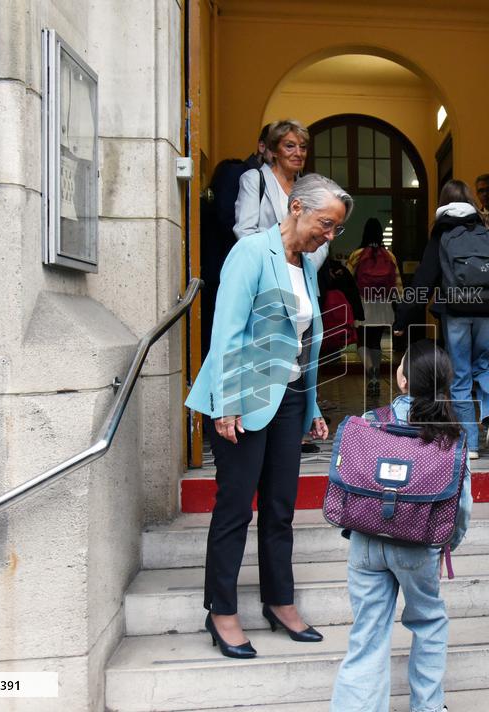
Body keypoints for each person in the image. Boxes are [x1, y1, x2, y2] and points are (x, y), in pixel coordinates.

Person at [185, 174, 353, 658]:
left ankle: (279, 601)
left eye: (337, 229)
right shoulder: (252, 253)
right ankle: (221, 610)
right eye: (326, 223)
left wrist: (313, 404)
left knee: (280, 508)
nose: (329, 235)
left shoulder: (306, 266)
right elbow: (227, 332)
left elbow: (304, 340)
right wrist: (227, 401)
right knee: (236, 508)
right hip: (242, 397)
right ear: (296, 207)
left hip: (291, 396)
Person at [330, 340, 471, 712]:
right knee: (428, 623)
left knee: (367, 633)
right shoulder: (449, 437)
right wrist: (445, 542)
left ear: (402, 379)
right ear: (444, 385)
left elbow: (349, 476)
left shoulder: (370, 423)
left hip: (365, 541)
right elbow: (461, 507)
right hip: (418, 542)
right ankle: (427, 707)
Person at [393, 180, 489, 458]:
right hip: (487, 312)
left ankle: (470, 443)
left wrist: (402, 319)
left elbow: (424, 280)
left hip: (457, 313)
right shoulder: (486, 229)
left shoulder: (442, 232)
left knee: (459, 376)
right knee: (483, 364)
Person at [199, 123, 271, 356]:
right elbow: (228, 220)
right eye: (280, 146)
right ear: (262, 146)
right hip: (227, 270)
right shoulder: (237, 172)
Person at [234, 119, 330, 268]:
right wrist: (281, 264)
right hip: (266, 272)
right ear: (274, 151)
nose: (298, 153)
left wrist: (306, 267)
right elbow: (246, 232)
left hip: (303, 275)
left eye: (303, 147)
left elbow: (322, 234)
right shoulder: (254, 179)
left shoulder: (310, 189)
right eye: (290, 146)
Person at [347, 218, 402, 396]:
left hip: (363, 303)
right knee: (375, 342)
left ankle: (370, 372)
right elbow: (397, 283)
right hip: (383, 305)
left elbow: (347, 280)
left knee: (362, 341)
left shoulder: (357, 254)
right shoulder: (390, 256)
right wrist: (400, 304)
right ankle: (376, 374)